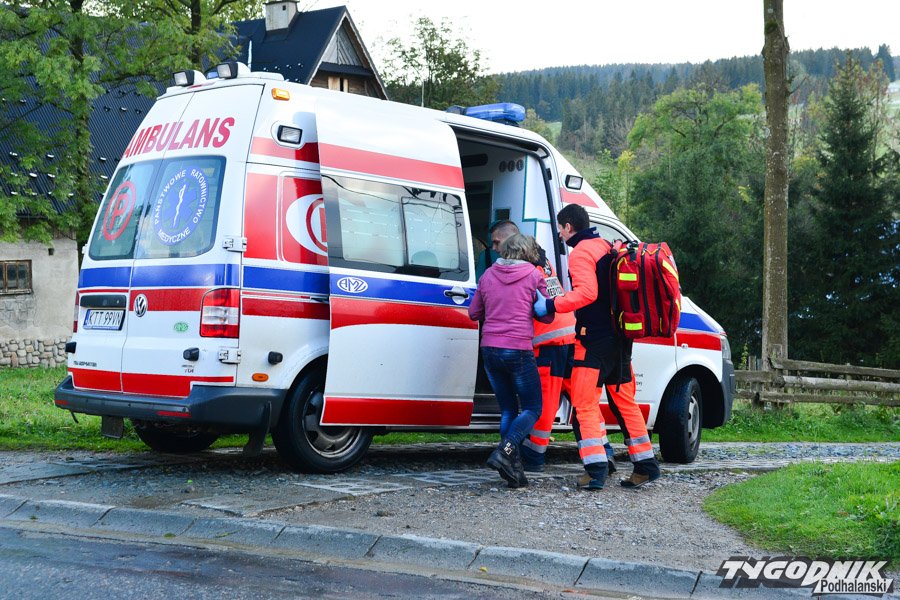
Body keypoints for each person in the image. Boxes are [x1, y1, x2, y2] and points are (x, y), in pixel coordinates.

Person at [537, 204, 661, 489]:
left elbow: (587, 293)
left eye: (560, 229)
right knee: (624, 402)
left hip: (593, 340)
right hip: (621, 339)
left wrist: (551, 304)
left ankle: (595, 471)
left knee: (583, 404)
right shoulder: (605, 245)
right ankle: (645, 465)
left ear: (569, 227)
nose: (559, 234)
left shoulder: (581, 252)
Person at [468, 234, 550, 488]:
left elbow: (473, 313)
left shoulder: (488, 275)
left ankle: (513, 470)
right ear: (528, 252)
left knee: (507, 410)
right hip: (518, 349)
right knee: (533, 408)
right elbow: (547, 315)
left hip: (490, 349)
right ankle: (506, 450)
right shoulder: (534, 276)